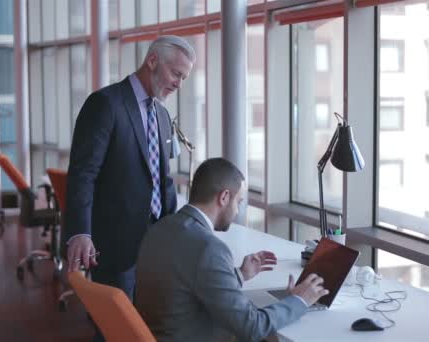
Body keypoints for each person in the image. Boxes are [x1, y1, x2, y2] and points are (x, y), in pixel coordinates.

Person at [135, 158, 329, 342]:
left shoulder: (160, 228)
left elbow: (187, 284)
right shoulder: (209, 249)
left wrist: (240, 274)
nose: (238, 212)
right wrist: (299, 301)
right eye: (240, 202)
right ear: (224, 197)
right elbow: (252, 327)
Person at [64, 36, 195, 302]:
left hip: (157, 244)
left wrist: (180, 227)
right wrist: (80, 231)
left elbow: (162, 179)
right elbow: (83, 173)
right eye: (175, 73)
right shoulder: (105, 103)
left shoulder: (161, 115)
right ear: (152, 60)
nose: (178, 84)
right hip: (116, 244)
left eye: (183, 78)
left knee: (145, 324)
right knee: (115, 328)